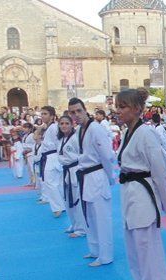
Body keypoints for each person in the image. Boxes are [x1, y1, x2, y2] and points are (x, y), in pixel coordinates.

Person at [115, 88, 166, 280]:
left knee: (148, 250)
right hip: (129, 192)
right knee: (133, 249)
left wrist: (164, 200)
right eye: (118, 106)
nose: (118, 110)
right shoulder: (128, 132)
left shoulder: (146, 134)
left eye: (123, 106)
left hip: (142, 194)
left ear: (137, 109)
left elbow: (160, 170)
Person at [69, 99, 116, 267]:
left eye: (78, 111)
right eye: (72, 112)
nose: (76, 115)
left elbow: (107, 155)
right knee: (89, 216)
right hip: (85, 177)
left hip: (97, 175)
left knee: (102, 217)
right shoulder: (80, 130)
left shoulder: (96, 128)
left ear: (85, 110)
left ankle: (106, 255)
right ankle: (95, 249)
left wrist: (110, 177)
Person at [56, 112, 86, 238]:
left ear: (72, 125)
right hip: (65, 171)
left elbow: (81, 155)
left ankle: (81, 229)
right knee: (67, 200)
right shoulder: (61, 139)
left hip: (74, 170)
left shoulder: (75, 138)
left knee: (77, 200)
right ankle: (73, 224)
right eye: (61, 123)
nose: (64, 126)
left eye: (67, 123)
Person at [39, 106, 65, 218]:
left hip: (53, 156)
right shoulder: (48, 128)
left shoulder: (54, 127)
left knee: (50, 183)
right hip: (49, 156)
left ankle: (58, 207)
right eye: (42, 114)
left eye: (45, 114)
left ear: (52, 116)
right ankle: (61, 205)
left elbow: (59, 142)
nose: (42, 116)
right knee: (56, 183)